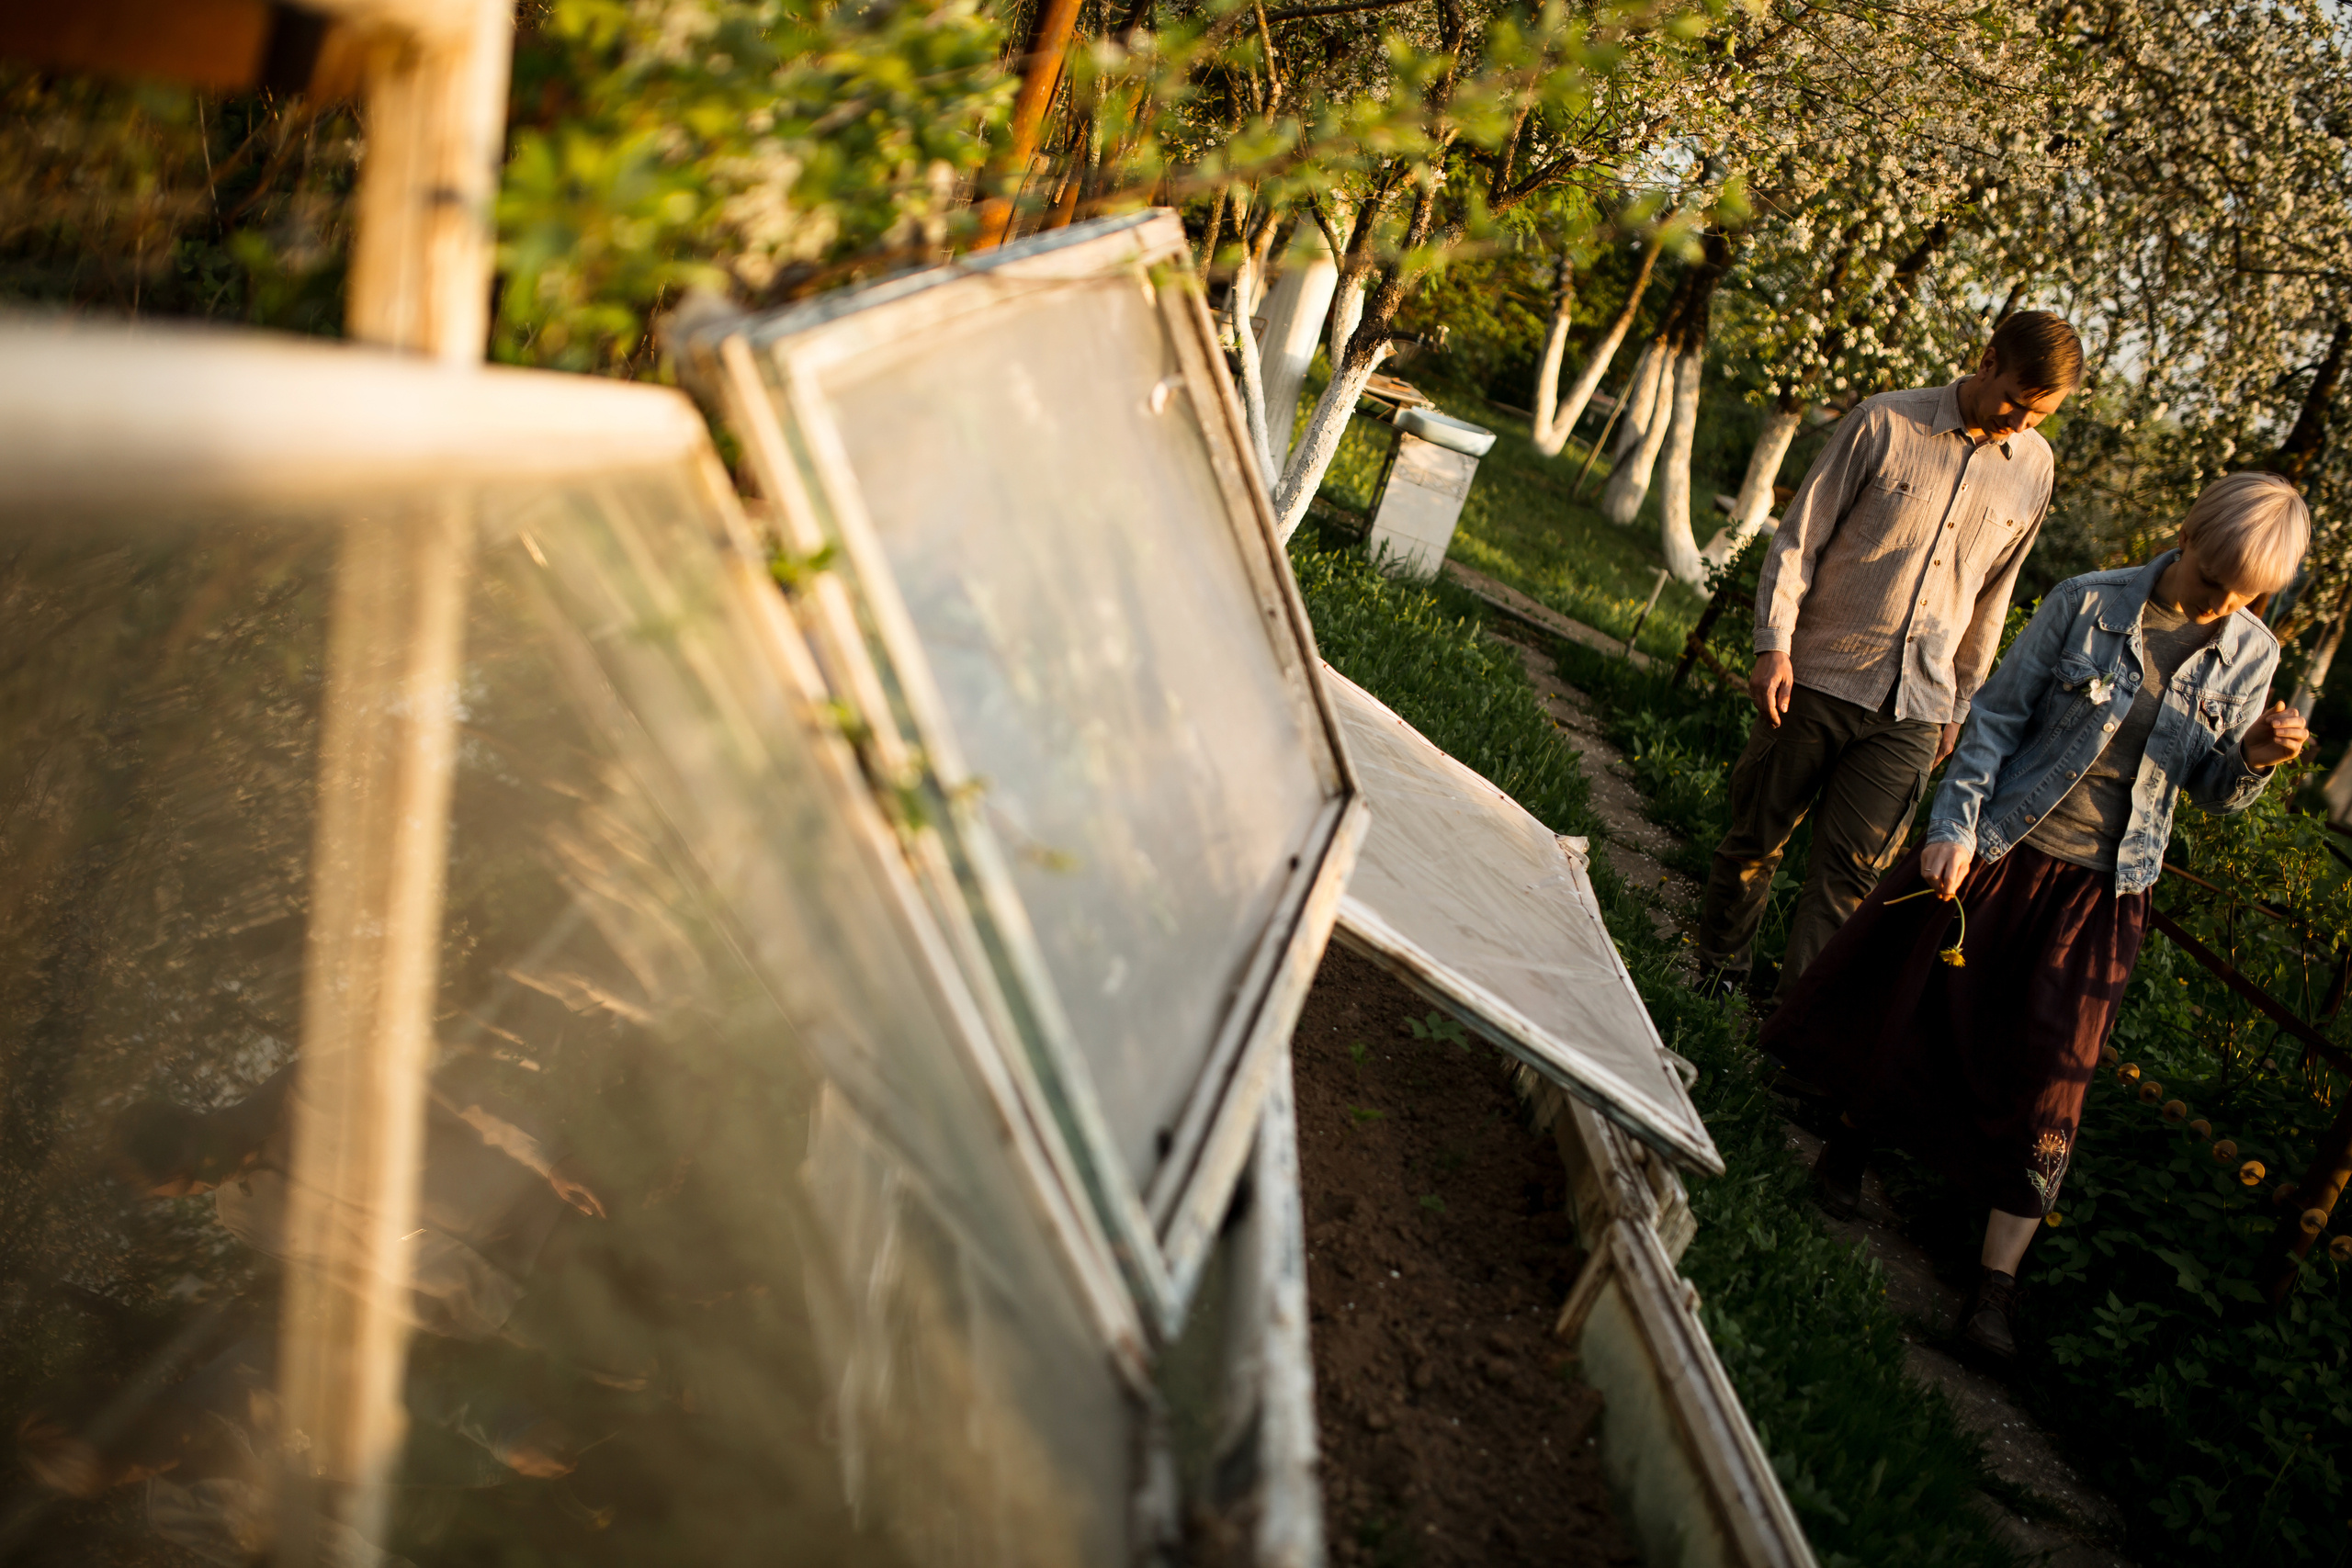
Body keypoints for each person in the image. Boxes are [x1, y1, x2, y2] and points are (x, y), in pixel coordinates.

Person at [1760, 472, 2312, 1363]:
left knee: (2053, 1074)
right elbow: (1994, 721)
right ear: (2189, 534)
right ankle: (1850, 1149)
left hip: (2105, 889)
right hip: (2001, 850)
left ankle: (1992, 1293)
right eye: (2215, 579)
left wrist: (2250, 756)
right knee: (1925, 1010)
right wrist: (1953, 829)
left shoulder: (2250, 653)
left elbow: (2208, 789)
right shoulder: (2085, 603)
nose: (2224, 604)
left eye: (2246, 594)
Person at [1693, 311, 2084, 1004]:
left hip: (1917, 710)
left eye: (2041, 414)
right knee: (1756, 842)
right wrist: (1772, 645)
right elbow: (1798, 540)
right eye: (2017, 403)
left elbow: (1993, 599)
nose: (2022, 423)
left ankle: (1792, 1028)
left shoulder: (2034, 470)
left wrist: (1961, 709)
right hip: (1814, 677)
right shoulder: (1884, 423)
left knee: (1850, 878)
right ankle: (1715, 979)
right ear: (1988, 360)